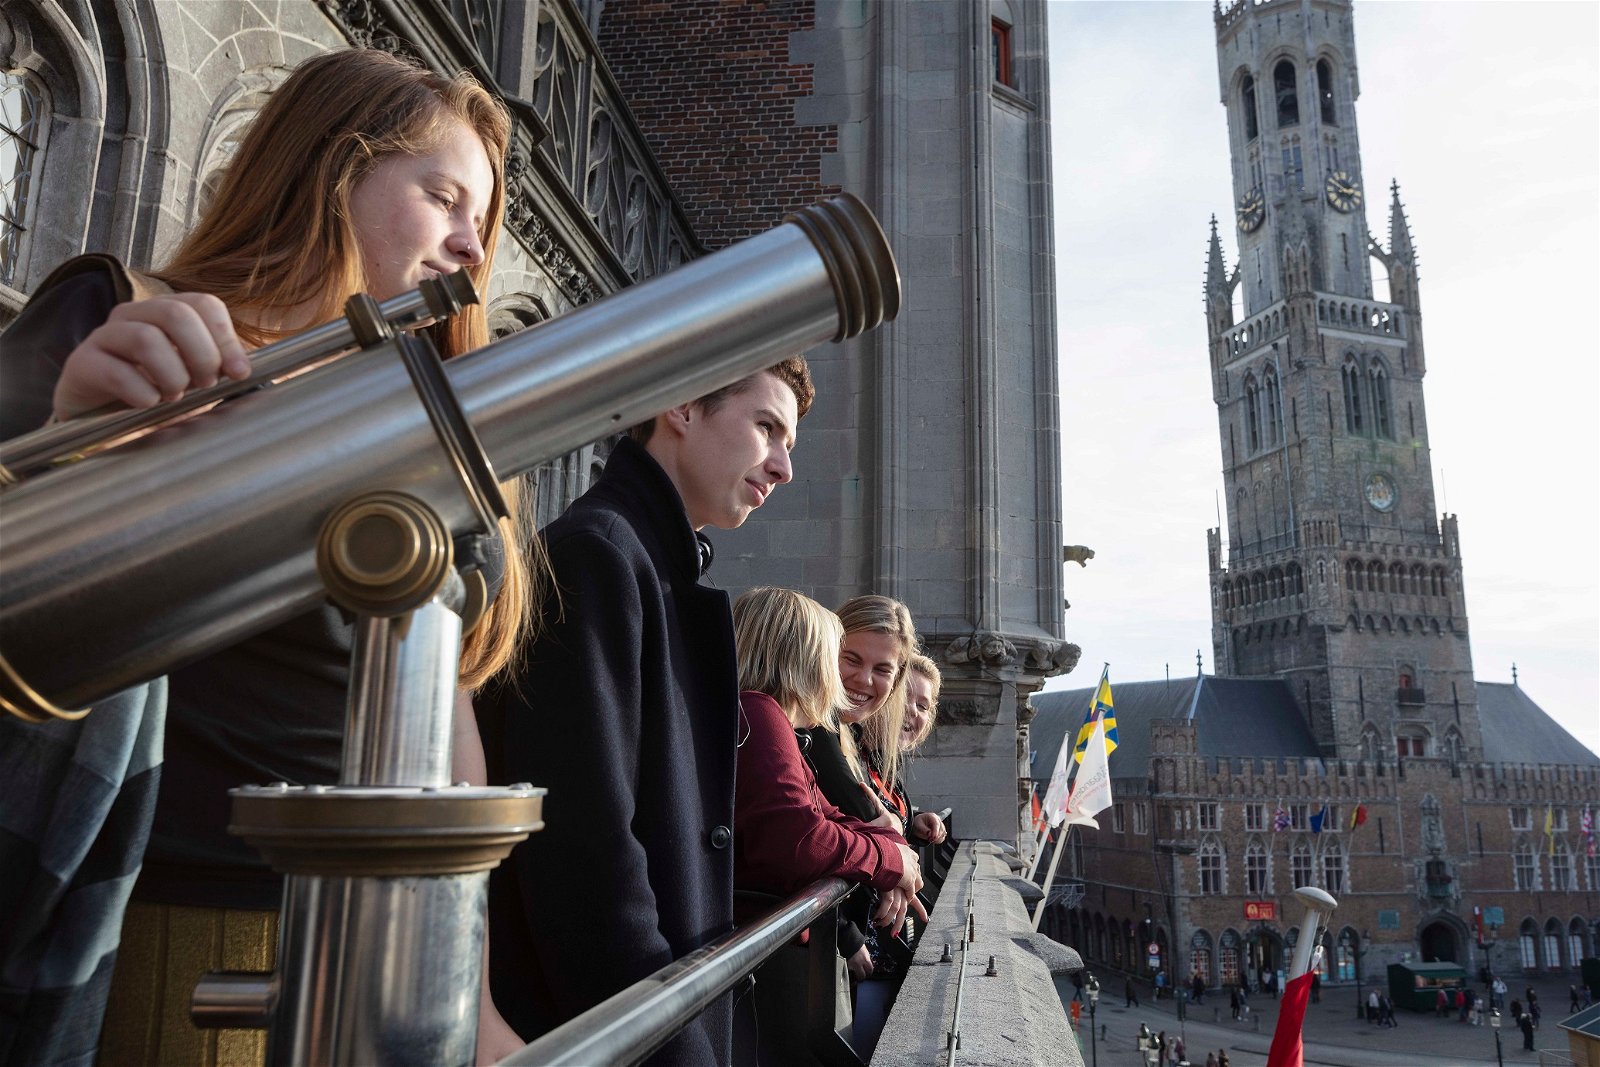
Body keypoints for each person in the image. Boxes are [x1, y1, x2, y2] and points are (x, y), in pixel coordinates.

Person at [0, 48, 539, 1067]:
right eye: (444, 198)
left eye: (484, 219)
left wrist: (467, 998)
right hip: (165, 932)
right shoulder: (114, 319)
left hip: (386, 952)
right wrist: (75, 446)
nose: (474, 248)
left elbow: (446, 720)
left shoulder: (428, 429)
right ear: (331, 168)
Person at [479, 345, 815, 1065]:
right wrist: (675, 1048)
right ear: (683, 404)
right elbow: (589, 856)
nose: (784, 467)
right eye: (766, 427)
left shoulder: (645, 562)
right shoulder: (597, 555)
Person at [797, 594, 919, 979]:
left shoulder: (850, 734)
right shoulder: (815, 728)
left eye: (882, 669)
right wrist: (895, 855)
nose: (864, 680)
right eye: (851, 659)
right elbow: (801, 841)